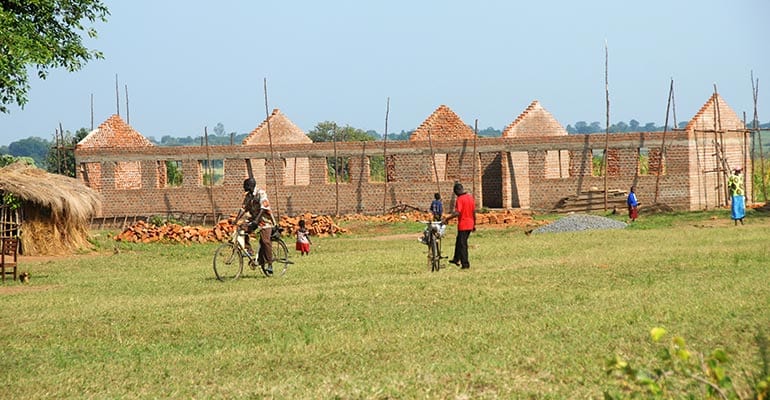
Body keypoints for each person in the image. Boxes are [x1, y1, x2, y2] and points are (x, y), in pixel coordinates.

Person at [240, 177, 276, 274]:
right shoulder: (248, 196)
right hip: (255, 219)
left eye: (245, 185)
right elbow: (243, 209)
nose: (244, 187)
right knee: (242, 228)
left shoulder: (261, 193)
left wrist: (256, 221)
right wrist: (236, 220)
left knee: (265, 241)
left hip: (265, 220)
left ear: (251, 186)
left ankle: (270, 264)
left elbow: (264, 208)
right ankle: (249, 250)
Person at [443, 182, 476, 269]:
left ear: (457, 191)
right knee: (459, 241)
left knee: (463, 245)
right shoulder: (470, 198)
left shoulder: (460, 199)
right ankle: (456, 258)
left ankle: (465, 264)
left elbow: (458, 212)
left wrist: (447, 219)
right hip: (470, 223)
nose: (456, 194)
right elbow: (473, 212)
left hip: (464, 225)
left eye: (455, 192)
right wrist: (474, 224)